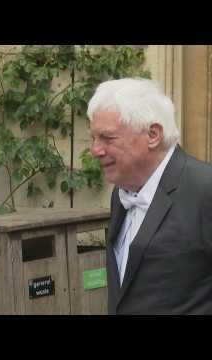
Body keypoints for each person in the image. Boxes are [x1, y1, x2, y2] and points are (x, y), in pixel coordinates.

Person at [88, 77, 212, 314]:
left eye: (107, 137)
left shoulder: (205, 189)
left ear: (153, 134)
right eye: (93, 138)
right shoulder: (121, 193)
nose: (96, 150)